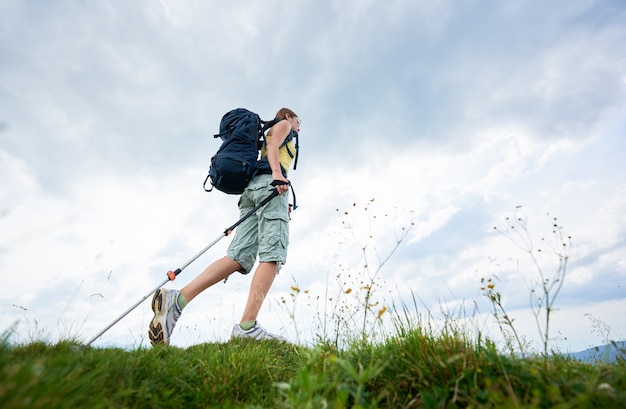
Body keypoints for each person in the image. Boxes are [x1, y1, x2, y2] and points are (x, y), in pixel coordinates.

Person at [148, 108, 300, 345]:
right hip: (271, 187)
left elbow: (268, 150)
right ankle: (248, 326)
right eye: (299, 121)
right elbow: (272, 149)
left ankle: (177, 300)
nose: (300, 126)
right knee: (272, 254)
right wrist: (277, 175)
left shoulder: (267, 131)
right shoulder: (284, 125)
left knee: (238, 257)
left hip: (254, 192)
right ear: (289, 116)